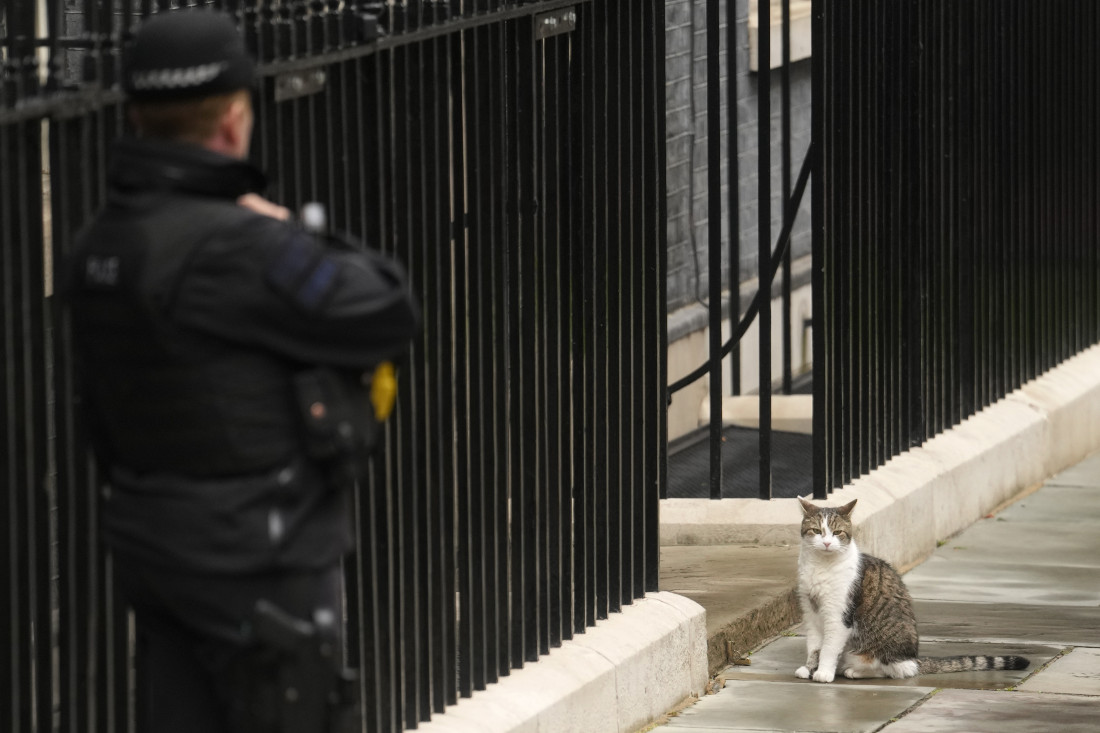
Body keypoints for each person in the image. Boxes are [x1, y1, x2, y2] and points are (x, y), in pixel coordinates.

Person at [60, 9, 419, 733]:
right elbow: (386, 308)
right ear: (232, 121)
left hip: (152, 547)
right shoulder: (238, 247)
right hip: (259, 554)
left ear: (136, 117)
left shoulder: (102, 244)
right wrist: (281, 226)